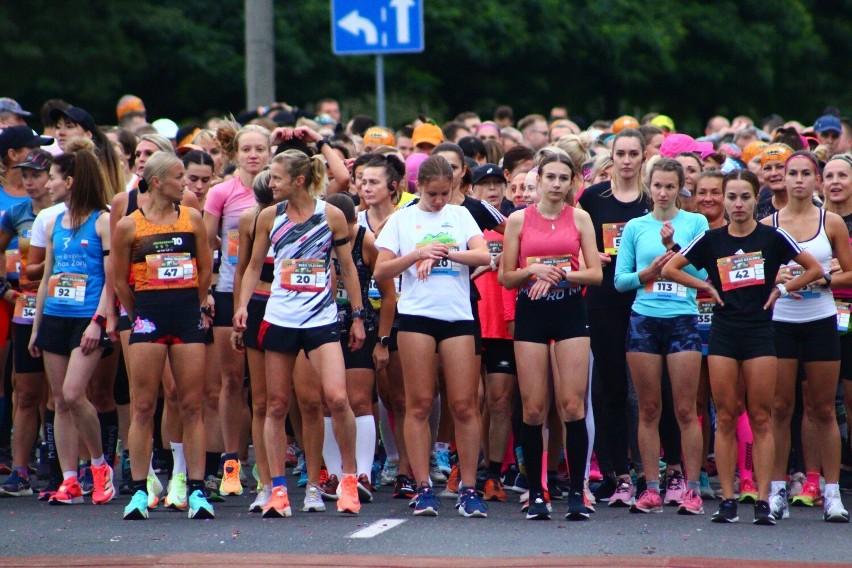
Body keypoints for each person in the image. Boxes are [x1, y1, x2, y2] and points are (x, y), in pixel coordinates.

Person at [662, 170, 823, 525]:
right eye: (731, 197)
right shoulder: (711, 239)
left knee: (762, 416)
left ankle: (763, 500)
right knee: (727, 416)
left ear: (755, 199)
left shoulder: (772, 236)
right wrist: (707, 287)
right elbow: (672, 267)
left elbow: (813, 269)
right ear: (724, 199)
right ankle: (730, 500)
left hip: (761, 333)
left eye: (744, 197)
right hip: (723, 333)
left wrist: (781, 289)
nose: (737, 204)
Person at [234, 148, 365, 518]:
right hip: (280, 318)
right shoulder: (268, 217)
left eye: (276, 177)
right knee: (275, 405)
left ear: (300, 181)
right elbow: (254, 266)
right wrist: (243, 306)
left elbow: (349, 270)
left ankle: (349, 481)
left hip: (321, 320)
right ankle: (278, 489)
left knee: (337, 399)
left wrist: (356, 316)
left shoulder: (332, 215)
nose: (269, 183)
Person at [372, 155, 491, 517]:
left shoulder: (459, 215)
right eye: (433, 193)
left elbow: (484, 255)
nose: (439, 200)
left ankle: (468, 488)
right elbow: (381, 271)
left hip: (457, 317)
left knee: (464, 404)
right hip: (416, 317)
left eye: (445, 193)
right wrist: (417, 253)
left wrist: (448, 253)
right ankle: (422, 485)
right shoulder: (402, 219)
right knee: (418, 403)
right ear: (418, 187)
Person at [112, 151, 214, 520]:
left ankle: (196, 489)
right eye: (178, 177)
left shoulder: (192, 219)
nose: (185, 183)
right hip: (148, 318)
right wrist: (138, 311)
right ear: (156, 182)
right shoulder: (129, 226)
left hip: (186, 316)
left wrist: (195, 302)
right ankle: (140, 490)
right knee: (143, 407)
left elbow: (205, 269)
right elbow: (119, 279)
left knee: (191, 405)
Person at [501, 153, 602, 520]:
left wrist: (558, 275)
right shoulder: (517, 220)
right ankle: (535, 492)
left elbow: (595, 274)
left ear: (572, 181)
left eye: (564, 178)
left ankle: (576, 492)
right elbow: (505, 277)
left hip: (570, 311)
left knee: (573, 406)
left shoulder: (580, 218)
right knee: (533, 408)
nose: (557, 184)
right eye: (551, 178)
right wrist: (533, 270)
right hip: (532, 313)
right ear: (538, 181)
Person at [614, 158, 709, 515]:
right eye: (658, 186)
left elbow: (704, 272)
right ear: (648, 186)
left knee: (686, 409)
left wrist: (676, 251)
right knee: (648, 408)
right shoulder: (636, 226)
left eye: (670, 186)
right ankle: (651, 488)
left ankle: (693, 488)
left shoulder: (695, 222)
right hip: (644, 320)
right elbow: (620, 281)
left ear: (680, 188)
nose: (664, 192)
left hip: (682, 319)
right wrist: (649, 271)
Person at [762, 151, 852, 523]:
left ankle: (832, 493)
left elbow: (850, 273)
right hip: (781, 321)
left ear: (816, 180)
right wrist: (777, 279)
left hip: (820, 320)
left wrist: (822, 278)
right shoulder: (768, 224)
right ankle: (778, 490)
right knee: (780, 408)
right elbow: (754, 276)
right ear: (782, 180)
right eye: (792, 173)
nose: (799, 180)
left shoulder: (830, 222)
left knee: (823, 408)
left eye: (805, 173)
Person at [28, 140, 117, 506]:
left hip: (87, 317)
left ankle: (99, 466)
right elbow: (49, 273)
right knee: (58, 402)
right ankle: (69, 479)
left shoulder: (104, 220)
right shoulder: (54, 222)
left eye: (53, 177)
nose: (48, 184)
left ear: (73, 180)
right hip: (55, 316)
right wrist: (37, 327)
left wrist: (99, 320)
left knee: (74, 393)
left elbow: (111, 278)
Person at [577, 128, 651, 505]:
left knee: (647, 390)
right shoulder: (592, 197)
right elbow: (574, 242)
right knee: (610, 387)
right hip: (603, 297)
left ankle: (650, 471)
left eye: (632, 153)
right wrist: (593, 258)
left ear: (642, 157)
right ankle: (615, 471)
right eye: (620, 153)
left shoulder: (653, 198)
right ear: (612, 157)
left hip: (646, 299)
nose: (626, 160)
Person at [204, 123, 271, 495]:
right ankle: (233, 462)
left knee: (266, 389)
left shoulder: (279, 193)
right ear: (236, 153)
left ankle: (266, 462)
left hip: (273, 294)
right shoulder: (221, 192)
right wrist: (208, 289)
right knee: (231, 381)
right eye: (246, 149)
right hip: (230, 291)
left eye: (260, 148)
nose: (253, 155)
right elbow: (205, 241)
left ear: (269, 152)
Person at [322, 193, 396, 506]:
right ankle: (335, 474)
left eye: (347, 226)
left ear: (355, 221)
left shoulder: (366, 241)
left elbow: (389, 295)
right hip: (322, 326)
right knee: (327, 402)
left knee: (359, 399)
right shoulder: (317, 240)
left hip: (359, 328)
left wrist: (382, 340)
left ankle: (362, 473)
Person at [0, 150, 52, 497]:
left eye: (36, 174)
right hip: (26, 306)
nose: (30, 181)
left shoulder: (65, 212)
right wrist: (5, 290)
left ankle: (61, 462)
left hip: (63, 305)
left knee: (62, 392)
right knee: (26, 391)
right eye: (25, 174)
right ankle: (20, 470)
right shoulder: (16, 213)